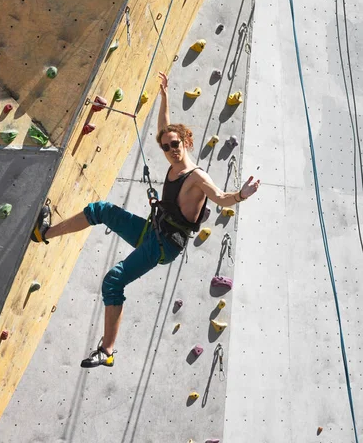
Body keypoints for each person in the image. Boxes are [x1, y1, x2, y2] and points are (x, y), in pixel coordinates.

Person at [31, 72, 260, 368]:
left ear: (186, 142)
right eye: (165, 147)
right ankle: (44, 232)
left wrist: (241, 194)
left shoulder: (197, 177)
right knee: (101, 210)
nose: (171, 150)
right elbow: (164, 126)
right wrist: (164, 97)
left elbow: (220, 197)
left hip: (164, 245)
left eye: (175, 144)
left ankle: (108, 350)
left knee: (113, 281)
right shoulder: (172, 159)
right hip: (152, 230)